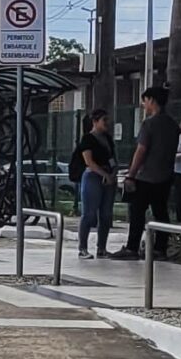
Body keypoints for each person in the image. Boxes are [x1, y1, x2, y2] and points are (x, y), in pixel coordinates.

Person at [122, 85, 176, 257]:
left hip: (146, 176)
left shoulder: (149, 124)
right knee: (161, 212)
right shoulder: (173, 125)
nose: (144, 105)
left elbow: (141, 150)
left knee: (137, 212)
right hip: (165, 176)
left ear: (152, 100)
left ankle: (132, 247)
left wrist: (131, 174)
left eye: (145, 101)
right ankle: (160, 248)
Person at [72, 108, 116, 258]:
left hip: (108, 175)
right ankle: (82, 248)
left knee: (106, 214)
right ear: (95, 122)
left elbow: (112, 157)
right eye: (104, 120)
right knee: (89, 213)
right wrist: (103, 174)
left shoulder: (108, 139)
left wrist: (112, 173)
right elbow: (89, 162)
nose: (107, 124)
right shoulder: (88, 139)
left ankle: (101, 248)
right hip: (93, 176)